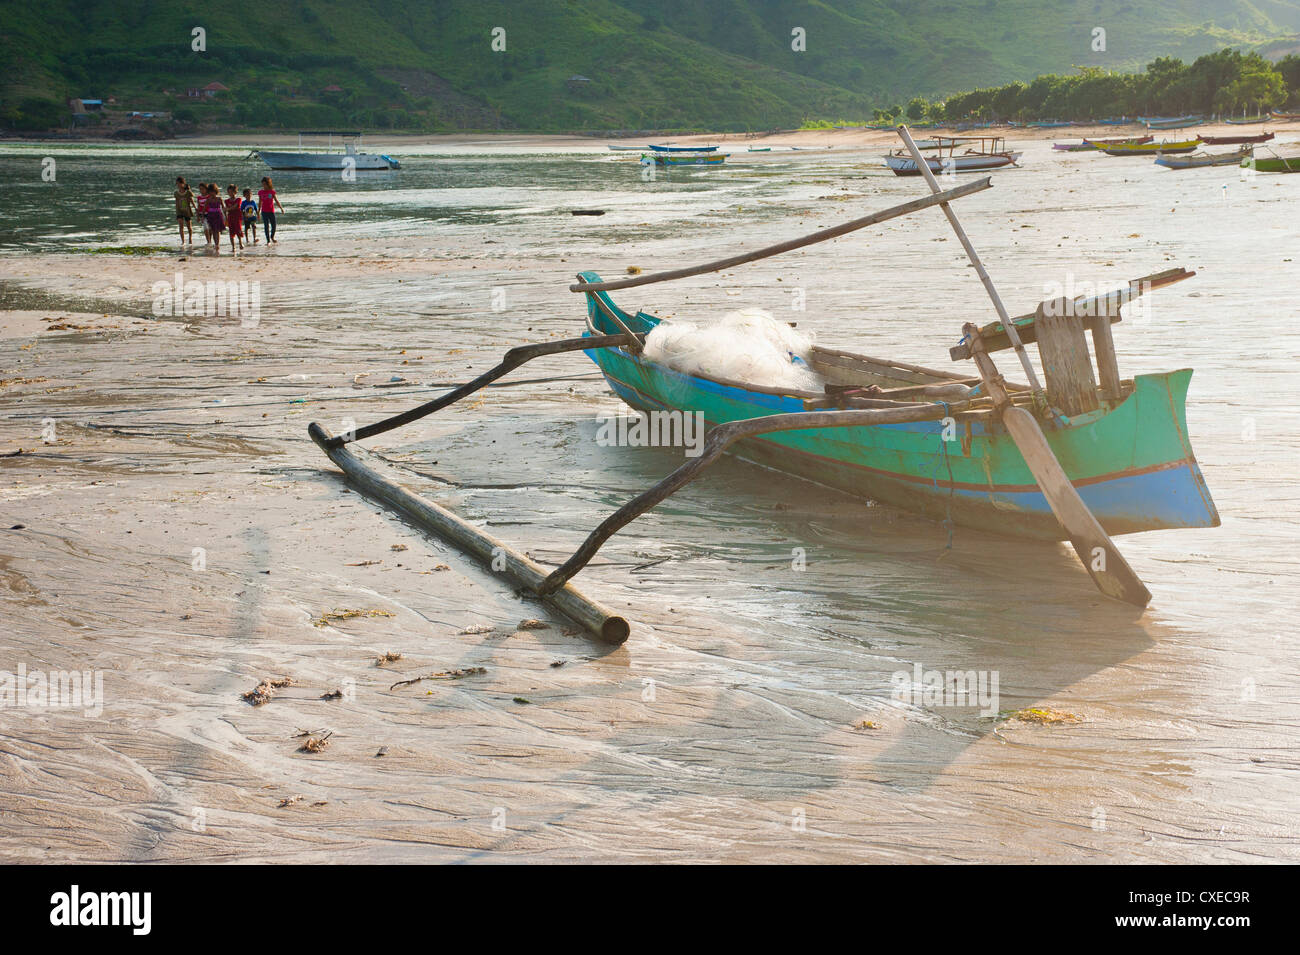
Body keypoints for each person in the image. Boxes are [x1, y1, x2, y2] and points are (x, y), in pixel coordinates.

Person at [257, 176, 284, 243]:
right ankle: (268, 241)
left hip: (271, 211)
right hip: (264, 212)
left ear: (268, 184)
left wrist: (281, 208)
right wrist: (258, 211)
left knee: (274, 225)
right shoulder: (261, 192)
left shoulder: (272, 192)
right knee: (266, 226)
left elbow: (276, 201)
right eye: (263, 184)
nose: (264, 186)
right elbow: (260, 202)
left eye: (265, 184)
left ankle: (272, 237)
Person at [204, 184, 227, 255]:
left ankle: (217, 244)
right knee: (213, 230)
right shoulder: (208, 200)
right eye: (210, 192)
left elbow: (223, 208)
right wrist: (201, 215)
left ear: (216, 191)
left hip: (218, 215)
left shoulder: (219, 199)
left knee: (218, 230)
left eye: (213, 192)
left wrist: (225, 217)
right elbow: (204, 208)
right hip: (211, 216)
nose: (211, 193)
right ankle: (215, 243)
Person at [174, 177, 194, 245]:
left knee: (189, 227)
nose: (178, 185)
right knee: (181, 225)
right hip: (179, 211)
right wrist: (176, 211)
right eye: (177, 184)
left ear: (183, 183)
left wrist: (195, 208)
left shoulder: (188, 192)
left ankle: (190, 239)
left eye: (179, 183)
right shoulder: (176, 193)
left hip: (187, 211)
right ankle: (183, 241)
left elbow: (191, 199)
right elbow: (176, 202)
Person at [224, 184, 244, 252]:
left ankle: (240, 243)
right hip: (230, 218)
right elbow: (225, 210)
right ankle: (233, 247)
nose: (230, 193)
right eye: (229, 192)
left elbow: (235, 206)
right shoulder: (226, 201)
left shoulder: (239, 199)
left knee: (238, 230)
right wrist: (226, 218)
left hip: (237, 217)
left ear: (235, 192)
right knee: (231, 232)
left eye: (232, 192)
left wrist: (228, 209)